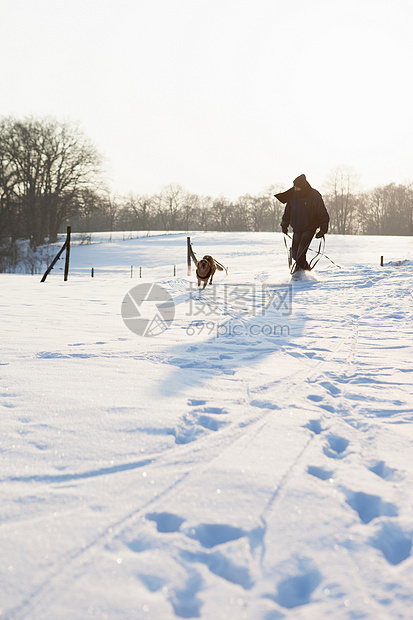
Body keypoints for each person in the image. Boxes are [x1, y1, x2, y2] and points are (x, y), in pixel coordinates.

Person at [275, 174, 329, 273]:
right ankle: (305, 269)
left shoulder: (315, 196)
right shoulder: (293, 196)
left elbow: (323, 214)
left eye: (297, 187)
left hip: (309, 228)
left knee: (300, 254)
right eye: (294, 186)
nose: (295, 189)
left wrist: (323, 230)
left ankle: (301, 272)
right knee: (295, 254)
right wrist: (284, 225)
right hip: (297, 229)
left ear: (303, 186)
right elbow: (287, 213)